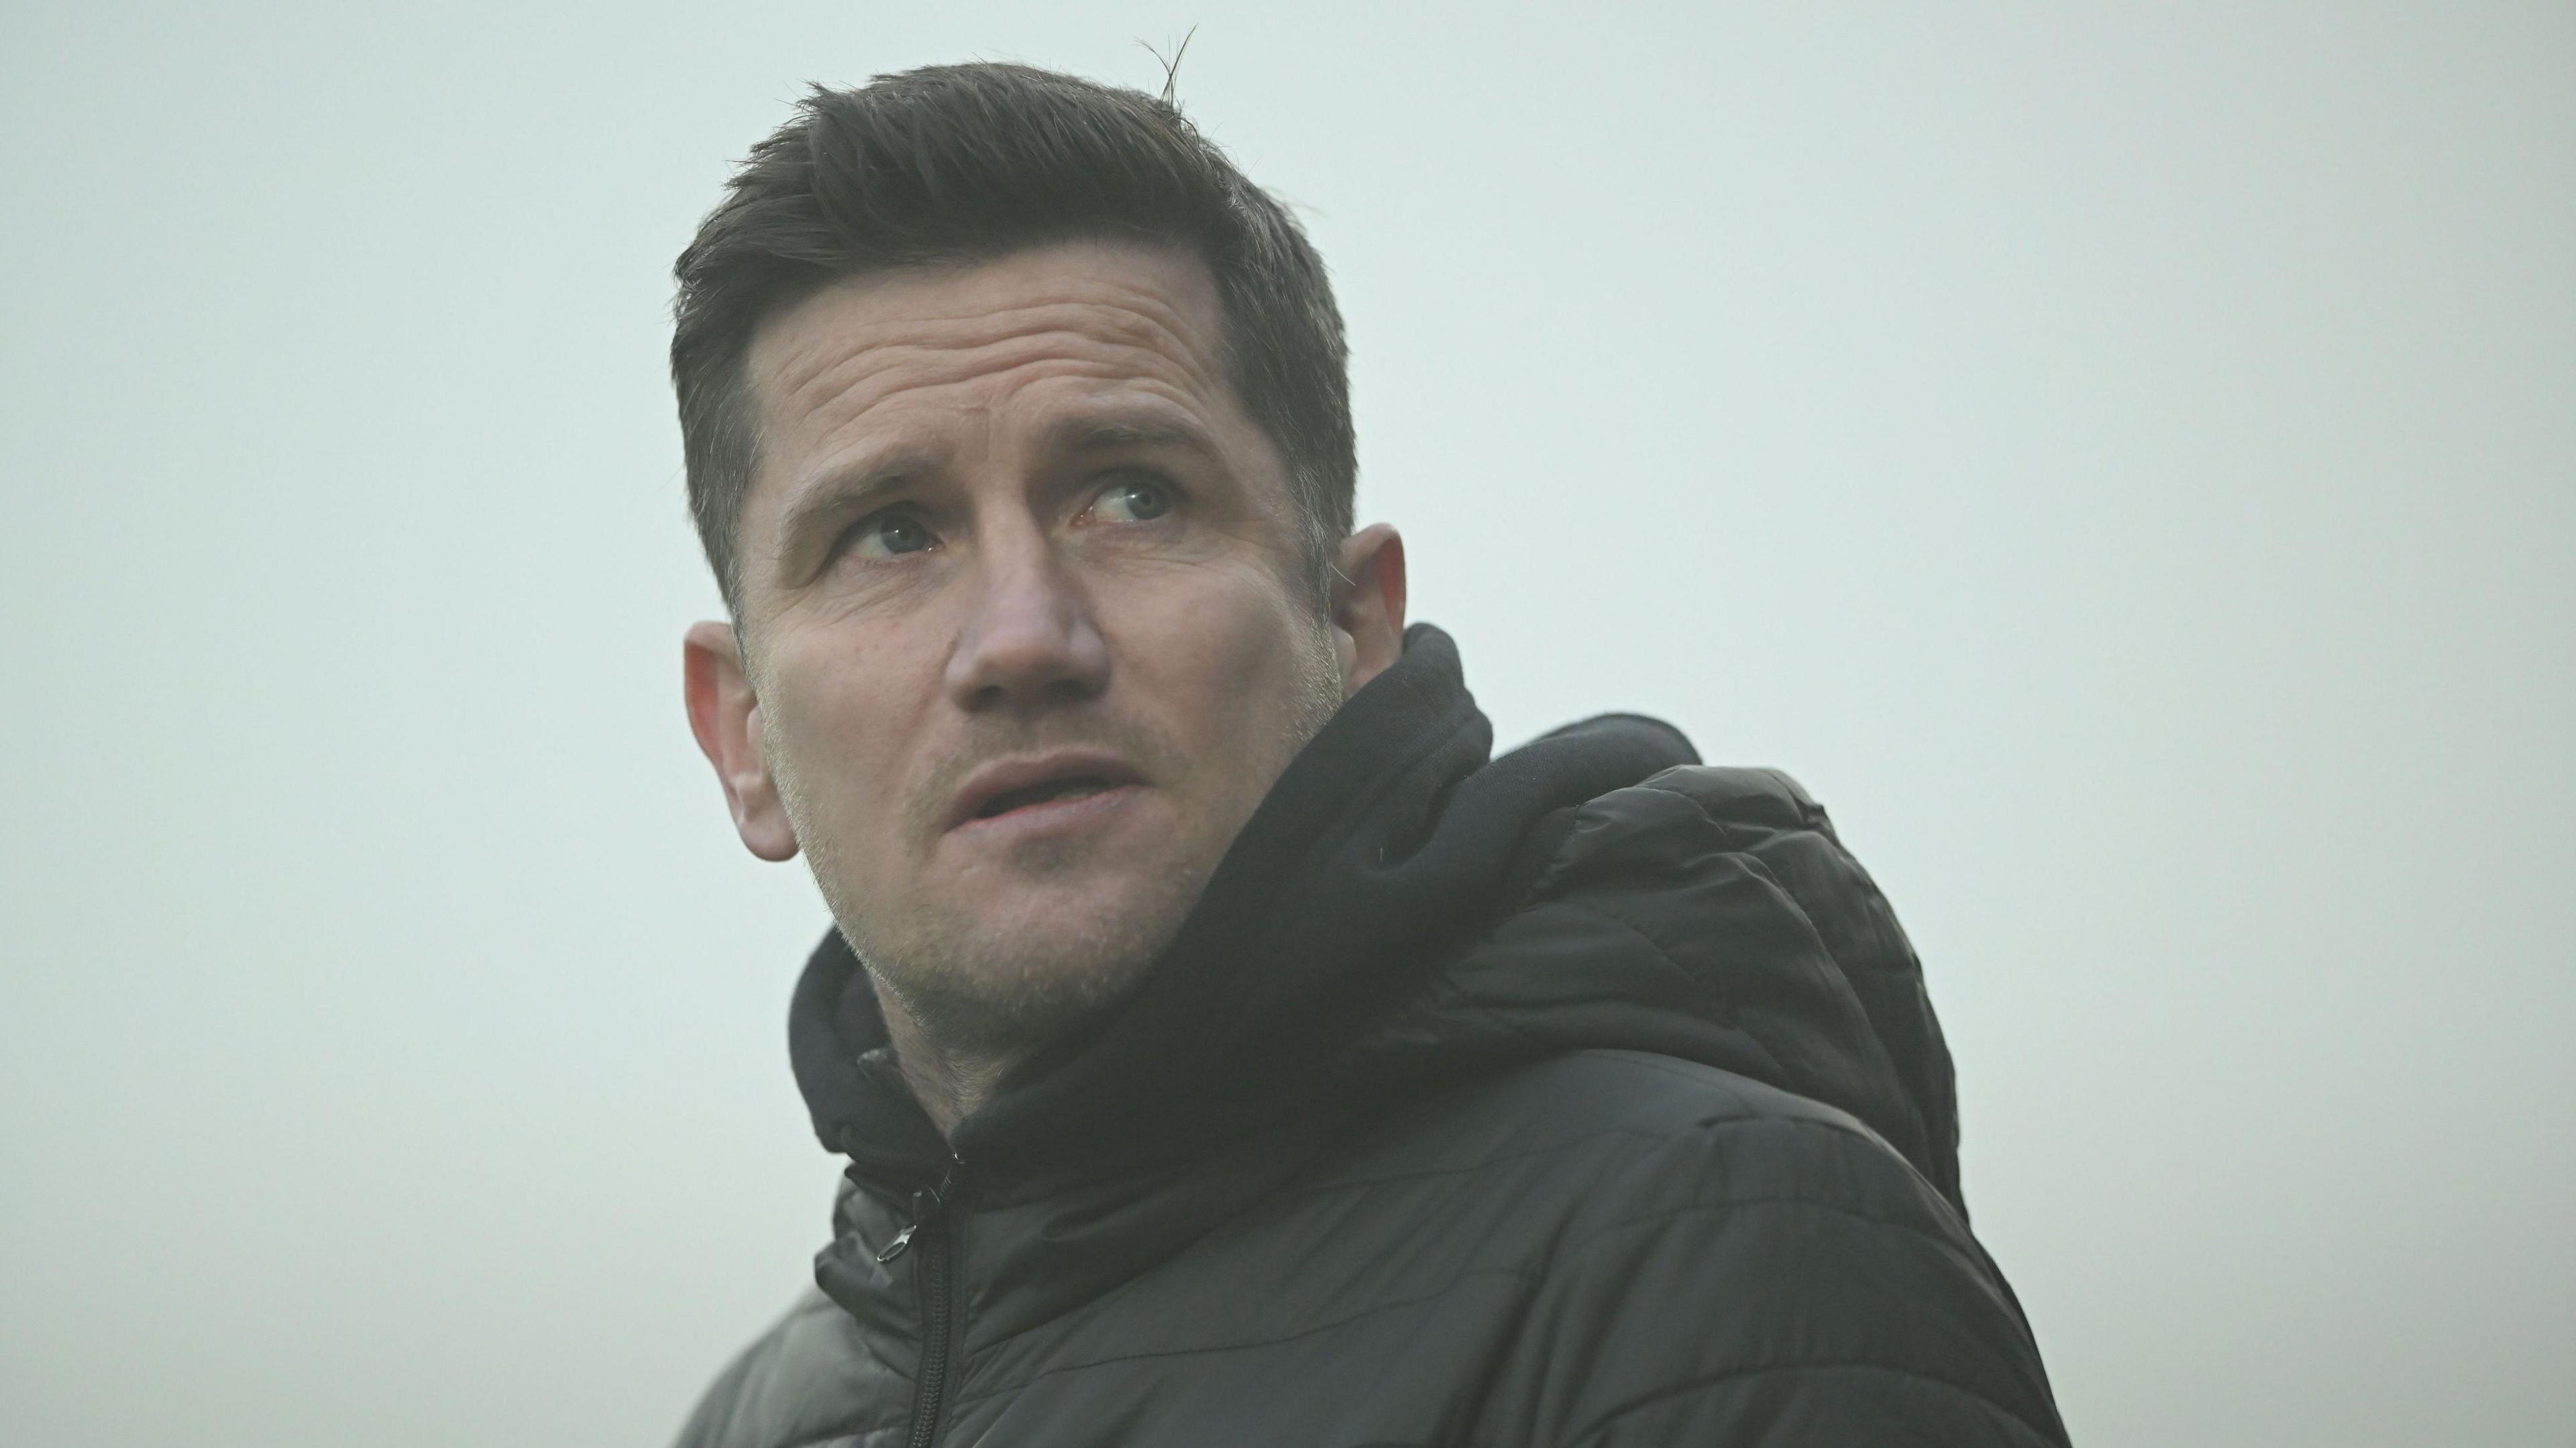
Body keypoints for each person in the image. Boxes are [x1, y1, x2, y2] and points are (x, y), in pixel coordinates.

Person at [668, 62, 2068, 1448]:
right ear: (745, 737)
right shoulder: (764, 1418)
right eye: (893, 533)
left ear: (1354, 626)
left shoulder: (1726, 1267)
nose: (1022, 638)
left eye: (1134, 496)